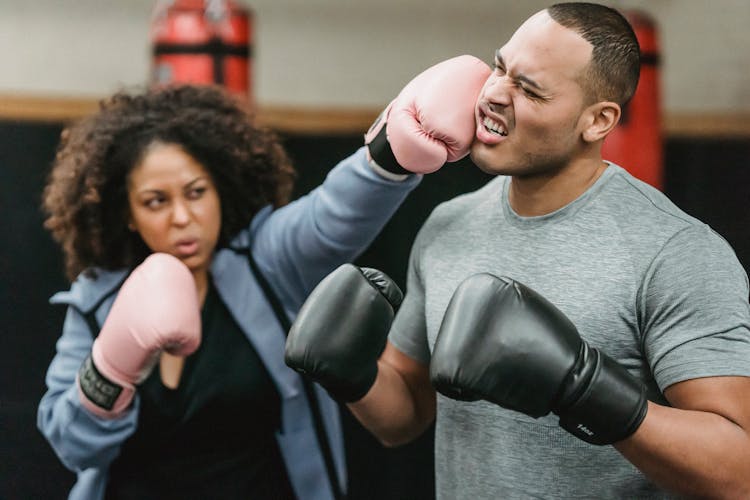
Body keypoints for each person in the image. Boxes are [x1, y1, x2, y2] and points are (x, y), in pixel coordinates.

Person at [284, 3, 750, 499]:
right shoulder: (449, 225)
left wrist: (584, 388)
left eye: (529, 90)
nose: (493, 95)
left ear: (597, 121)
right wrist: (353, 376)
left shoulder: (675, 252)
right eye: (500, 67)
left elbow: (736, 473)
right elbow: (404, 417)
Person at [36, 54, 491, 500]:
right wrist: (109, 370)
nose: (182, 217)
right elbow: (73, 446)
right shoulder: (96, 302)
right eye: (156, 201)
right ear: (129, 215)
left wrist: (392, 150)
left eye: (196, 193)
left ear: (219, 189)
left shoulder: (265, 261)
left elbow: (331, 216)